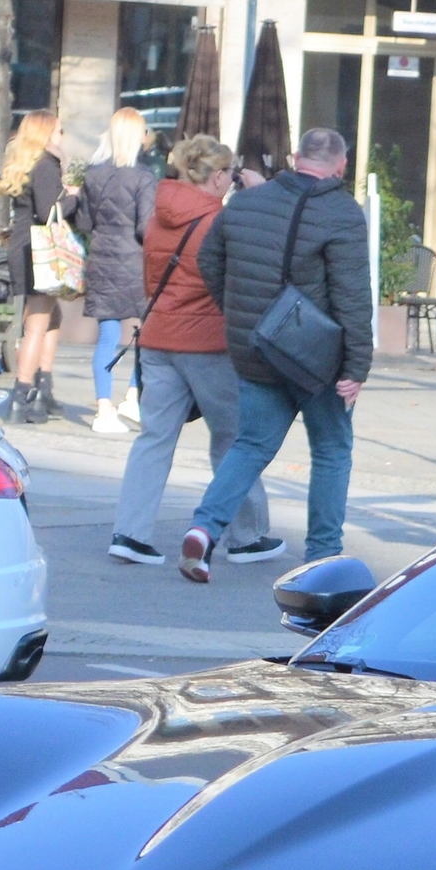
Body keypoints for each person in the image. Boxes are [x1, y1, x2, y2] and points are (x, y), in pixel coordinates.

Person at [177, 125, 375, 575]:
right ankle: (323, 557)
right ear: (341, 165)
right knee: (331, 450)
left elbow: (209, 260)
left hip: (255, 348)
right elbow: (352, 296)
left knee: (249, 446)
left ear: (295, 156)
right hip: (318, 359)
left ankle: (204, 529)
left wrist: (239, 311)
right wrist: (357, 366)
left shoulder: (244, 202)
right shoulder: (343, 213)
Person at [106, 136, 270, 566]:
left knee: (154, 438)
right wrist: (260, 194)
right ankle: (247, 535)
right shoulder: (221, 221)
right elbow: (244, 276)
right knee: (234, 438)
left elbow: (149, 280)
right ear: (218, 176)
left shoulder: (161, 216)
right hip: (208, 343)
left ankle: (129, 532)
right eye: (230, 175)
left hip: (159, 339)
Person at [76, 107, 159, 434]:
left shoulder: (93, 174)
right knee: (146, 335)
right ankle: (133, 396)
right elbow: (145, 227)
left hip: (101, 259)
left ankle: (102, 410)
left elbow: (83, 222)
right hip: (135, 263)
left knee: (107, 337)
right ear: (138, 137)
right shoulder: (143, 178)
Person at [0, 111, 69, 424]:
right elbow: (48, 210)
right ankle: (22, 395)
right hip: (40, 249)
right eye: (60, 131)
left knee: (52, 316)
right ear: (46, 134)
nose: (63, 138)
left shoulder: (26, 163)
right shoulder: (46, 166)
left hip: (21, 246)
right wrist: (75, 198)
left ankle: (43, 390)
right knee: (36, 323)